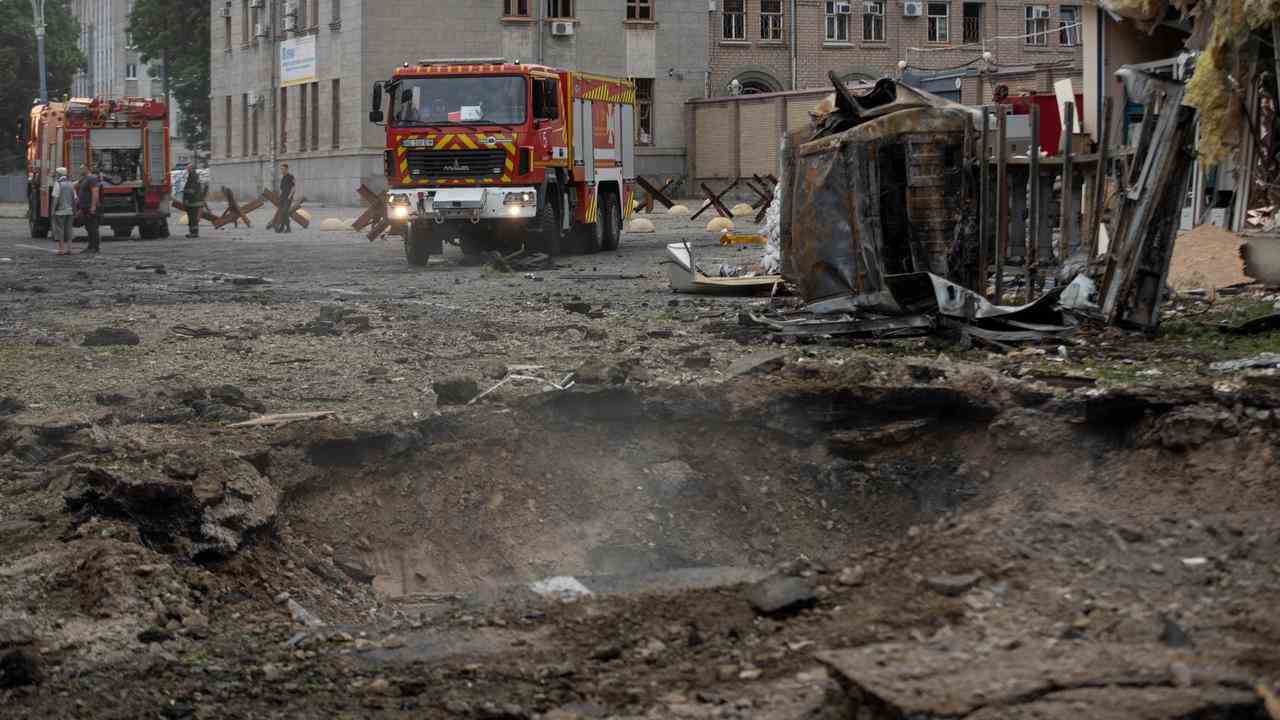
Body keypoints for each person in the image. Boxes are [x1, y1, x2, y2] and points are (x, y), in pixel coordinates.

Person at [51, 167, 77, 256]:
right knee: (69, 229)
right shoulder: (71, 184)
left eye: (56, 173)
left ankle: (61, 249)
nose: (55, 175)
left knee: (60, 230)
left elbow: (55, 199)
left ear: (59, 174)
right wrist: (74, 210)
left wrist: (52, 211)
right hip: (70, 211)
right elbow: (75, 199)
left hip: (60, 211)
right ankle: (69, 249)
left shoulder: (57, 184)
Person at [76, 164, 101, 254]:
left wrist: (93, 207)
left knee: (93, 227)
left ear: (87, 169)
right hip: (85, 207)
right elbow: (75, 184)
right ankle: (90, 246)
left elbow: (95, 193)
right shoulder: (84, 179)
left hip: (90, 207)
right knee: (88, 227)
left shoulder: (92, 179)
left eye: (82, 168)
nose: (80, 170)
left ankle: (95, 247)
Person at [182, 164, 204, 238]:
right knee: (193, 218)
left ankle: (194, 233)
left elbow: (190, 190)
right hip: (195, 201)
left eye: (188, 168)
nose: (187, 170)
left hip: (193, 202)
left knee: (192, 219)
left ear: (192, 169)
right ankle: (193, 232)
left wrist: (186, 199)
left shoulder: (192, 177)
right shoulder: (194, 176)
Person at [273, 163, 296, 233]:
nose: (281, 170)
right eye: (281, 169)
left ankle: (288, 228)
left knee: (285, 212)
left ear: (286, 169)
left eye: (282, 169)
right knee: (282, 212)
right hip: (282, 197)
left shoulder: (291, 177)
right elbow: (282, 189)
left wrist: (290, 196)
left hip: (288, 198)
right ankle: (282, 227)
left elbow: (294, 188)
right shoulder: (283, 178)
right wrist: (280, 196)